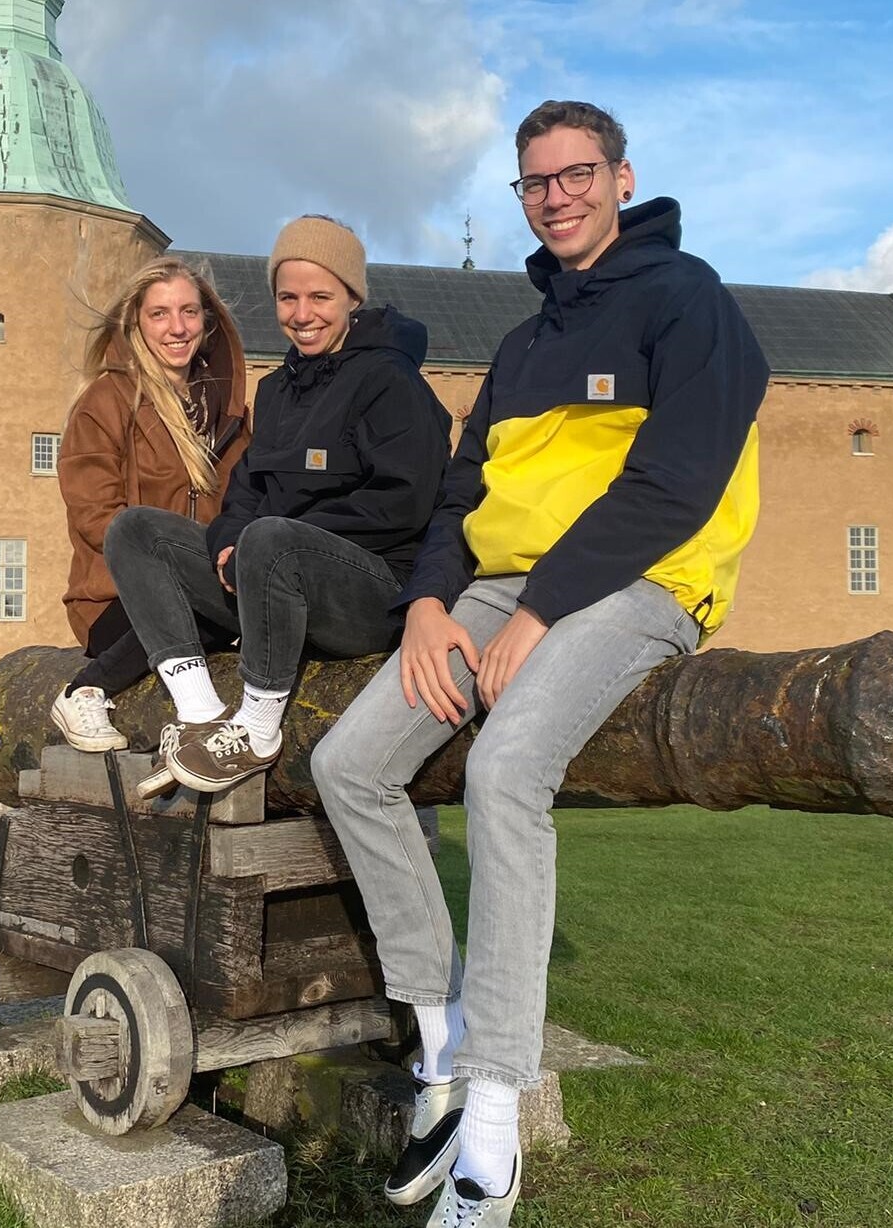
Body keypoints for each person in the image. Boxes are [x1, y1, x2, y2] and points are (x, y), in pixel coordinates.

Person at [310, 101, 769, 1226]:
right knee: (349, 764)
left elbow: (674, 484)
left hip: (642, 580)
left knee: (502, 770)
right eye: (535, 182)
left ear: (621, 177)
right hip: (499, 586)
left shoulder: (687, 301)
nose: (556, 196)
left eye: (575, 175)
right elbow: (460, 501)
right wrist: (428, 605)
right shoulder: (520, 347)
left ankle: (497, 1114)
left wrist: (542, 611)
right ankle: (436, 1045)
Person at [103, 215, 449, 790]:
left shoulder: (390, 381)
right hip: (272, 578)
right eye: (288, 298)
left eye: (320, 297)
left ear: (352, 297)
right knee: (137, 530)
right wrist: (230, 542)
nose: (302, 314)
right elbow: (245, 492)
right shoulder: (277, 389)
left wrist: (276, 541)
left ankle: (259, 728)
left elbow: (403, 504)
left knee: (271, 536)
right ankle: (199, 711)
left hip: (364, 596)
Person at [48, 257, 250, 752]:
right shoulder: (107, 401)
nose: (177, 328)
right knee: (199, 611)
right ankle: (83, 689)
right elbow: (95, 515)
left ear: (207, 320)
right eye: (159, 314)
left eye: (188, 312)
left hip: (203, 587)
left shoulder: (225, 412)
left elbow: (246, 503)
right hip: (116, 600)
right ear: (135, 321)